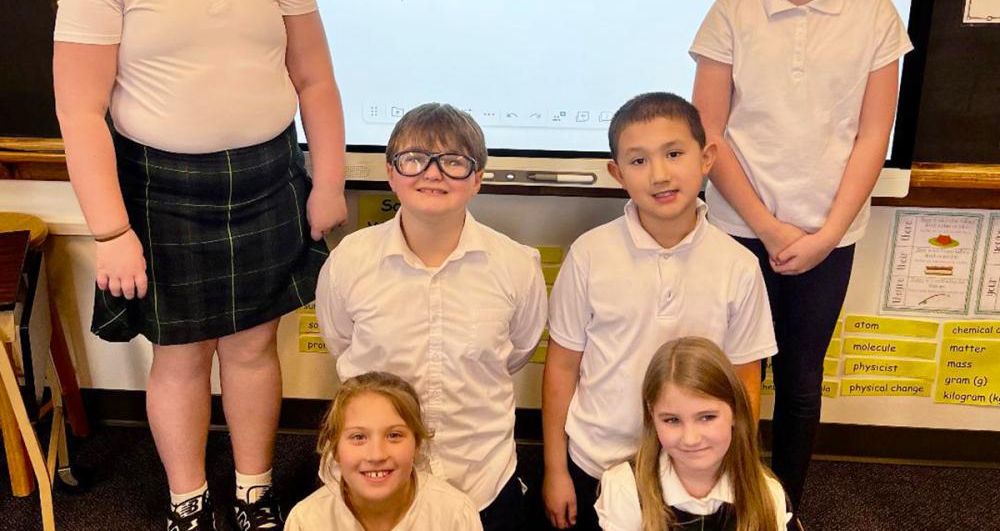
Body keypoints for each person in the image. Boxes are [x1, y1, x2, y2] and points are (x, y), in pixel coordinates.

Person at [52, 0, 347, 531]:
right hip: (162, 195)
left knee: (253, 348)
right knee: (180, 356)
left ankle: (253, 493)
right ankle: (188, 501)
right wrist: (111, 232)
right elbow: (80, 114)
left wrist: (330, 182)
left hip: (268, 182)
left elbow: (316, 81)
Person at [690, 0, 912, 512]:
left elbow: (874, 136)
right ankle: (719, 499)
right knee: (730, 374)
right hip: (738, 228)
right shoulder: (731, 12)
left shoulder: (874, 14)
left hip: (828, 235)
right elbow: (710, 135)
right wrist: (765, 224)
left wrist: (825, 234)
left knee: (801, 378)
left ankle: (782, 508)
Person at [543, 93, 777, 531]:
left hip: (693, 470)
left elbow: (746, 378)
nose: (660, 174)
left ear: (706, 158)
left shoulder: (738, 265)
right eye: (638, 161)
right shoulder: (589, 255)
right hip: (597, 459)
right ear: (616, 173)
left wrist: (739, 468)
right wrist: (555, 470)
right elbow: (561, 368)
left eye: (674, 153)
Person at [316, 103, 547, 531]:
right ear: (391, 172)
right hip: (375, 482)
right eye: (414, 159)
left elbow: (516, 352)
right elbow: (342, 345)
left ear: (477, 178)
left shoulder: (516, 265)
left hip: (482, 480)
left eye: (454, 161)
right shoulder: (350, 261)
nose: (432, 173)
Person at [595, 337, 792, 531]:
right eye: (672, 420)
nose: (691, 439)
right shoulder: (625, 489)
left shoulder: (767, 495)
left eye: (707, 417)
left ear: (735, 411)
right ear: (652, 416)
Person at [285, 371, 483, 531]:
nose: (376, 455)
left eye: (394, 435)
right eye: (358, 437)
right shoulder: (307, 521)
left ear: (417, 444)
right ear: (335, 448)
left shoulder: (456, 516)